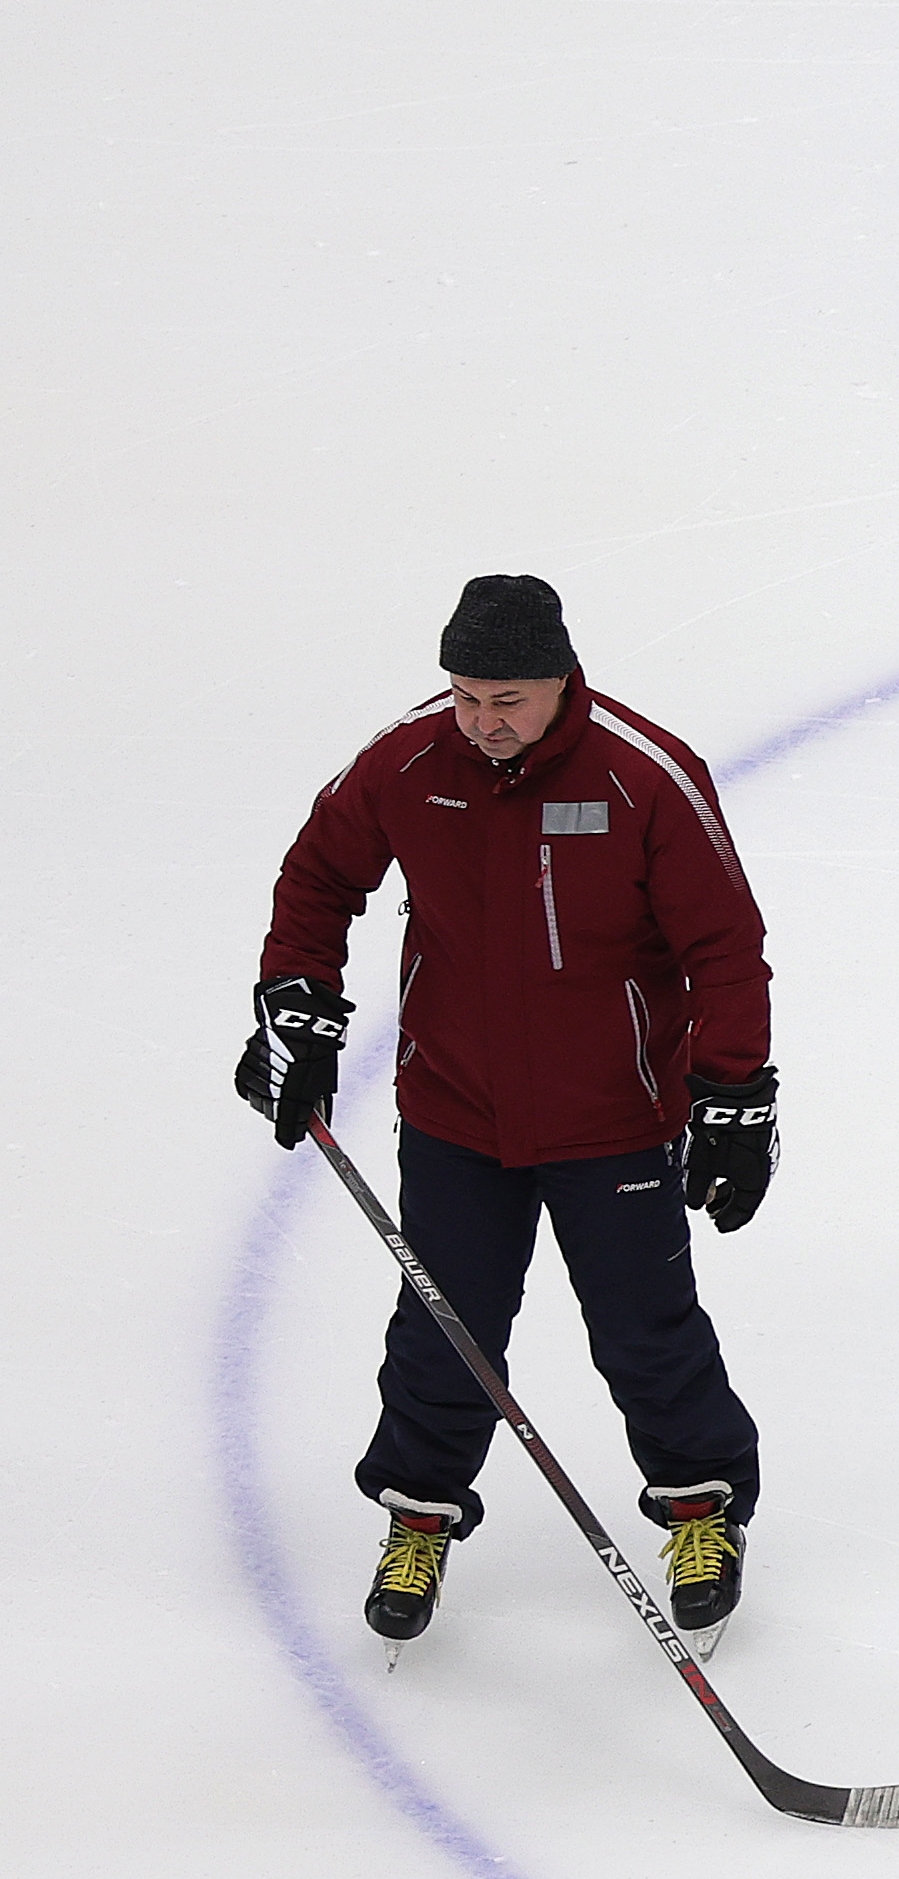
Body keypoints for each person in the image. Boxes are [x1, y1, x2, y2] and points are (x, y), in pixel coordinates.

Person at [247, 576, 777, 1652]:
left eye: (510, 701)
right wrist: (297, 1004)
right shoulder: (406, 764)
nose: (484, 722)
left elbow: (725, 945)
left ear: (562, 682)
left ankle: (700, 1509)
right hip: (455, 1110)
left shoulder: (645, 776)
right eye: (466, 698)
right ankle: (418, 1517)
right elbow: (315, 879)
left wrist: (734, 1092)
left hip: (614, 1116)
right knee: (446, 1327)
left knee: (644, 1329)